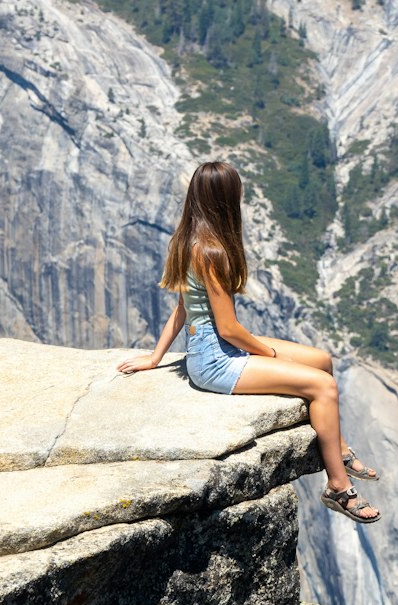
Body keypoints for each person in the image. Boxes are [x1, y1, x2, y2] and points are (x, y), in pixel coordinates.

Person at [116, 160, 380, 526]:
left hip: (212, 350)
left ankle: (338, 447)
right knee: (323, 385)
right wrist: (269, 354)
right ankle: (338, 485)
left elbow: (182, 307)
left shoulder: (188, 239)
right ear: (227, 200)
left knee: (320, 360)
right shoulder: (210, 253)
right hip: (215, 362)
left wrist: (155, 356)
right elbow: (227, 328)